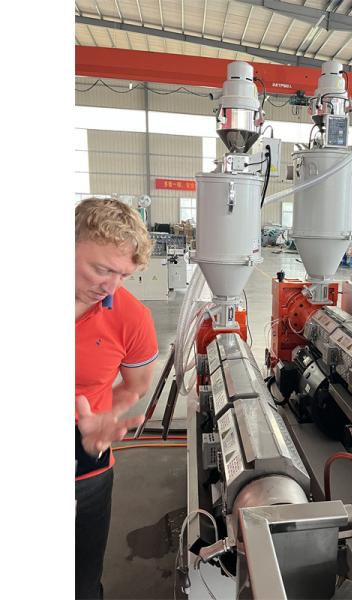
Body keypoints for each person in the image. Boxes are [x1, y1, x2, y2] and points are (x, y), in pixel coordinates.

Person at [75, 198, 159, 599]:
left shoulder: (131, 317)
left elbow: (135, 385)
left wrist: (107, 414)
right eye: (102, 269)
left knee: (80, 582)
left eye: (123, 275)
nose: (110, 288)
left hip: (84, 458)